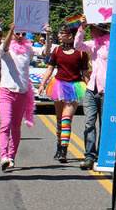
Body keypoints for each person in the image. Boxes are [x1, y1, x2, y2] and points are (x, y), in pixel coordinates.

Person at [0, 21, 51, 170]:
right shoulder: (5, 48)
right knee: (5, 123)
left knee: (15, 126)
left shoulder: (28, 49)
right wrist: (11, 30)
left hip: (21, 93)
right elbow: (5, 46)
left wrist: (47, 34)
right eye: (17, 33)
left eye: (23, 33)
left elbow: (45, 53)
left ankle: (11, 156)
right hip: (6, 91)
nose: (20, 36)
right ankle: (3, 156)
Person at [39, 25, 89, 163]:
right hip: (58, 86)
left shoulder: (81, 53)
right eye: (59, 33)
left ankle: (63, 150)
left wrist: (91, 87)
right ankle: (58, 145)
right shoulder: (57, 50)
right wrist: (43, 84)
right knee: (60, 120)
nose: (60, 35)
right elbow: (50, 69)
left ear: (71, 36)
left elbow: (85, 73)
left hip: (74, 87)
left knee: (67, 119)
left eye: (63, 33)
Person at [74, 17, 109, 170]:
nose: (91, 31)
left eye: (92, 28)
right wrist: (81, 27)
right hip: (91, 88)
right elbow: (77, 45)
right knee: (89, 123)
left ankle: (101, 155)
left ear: (100, 29)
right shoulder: (92, 44)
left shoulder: (111, 44)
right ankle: (89, 155)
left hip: (106, 90)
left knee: (104, 124)